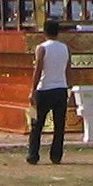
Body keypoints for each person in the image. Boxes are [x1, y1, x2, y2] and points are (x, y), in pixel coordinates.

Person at [27, 17, 70, 165]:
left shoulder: (42, 48)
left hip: (44, 89)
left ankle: (33, 154)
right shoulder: (65, 48)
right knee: (59, 125)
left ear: (44, 32)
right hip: (61, 88)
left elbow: (38, 70)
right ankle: (56, 155)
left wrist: (32, 90)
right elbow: (68, 69)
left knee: (37, 124)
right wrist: (68, 86)